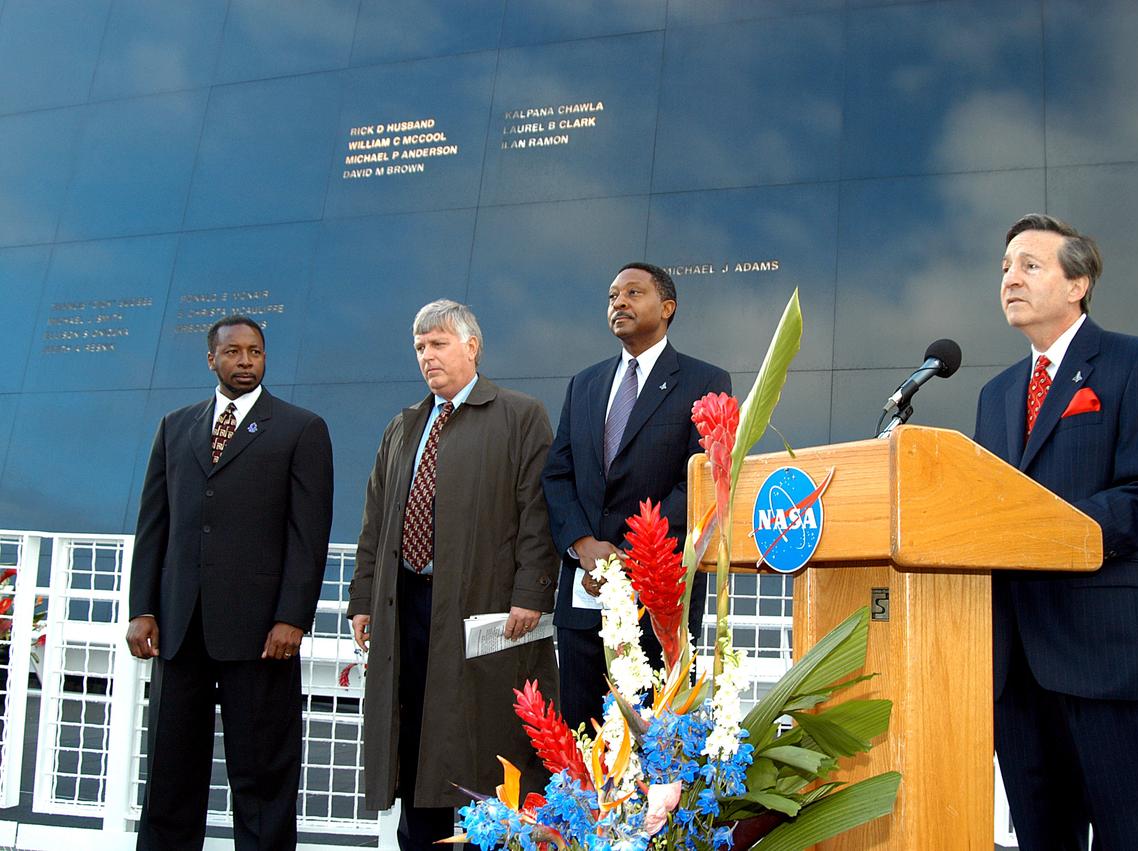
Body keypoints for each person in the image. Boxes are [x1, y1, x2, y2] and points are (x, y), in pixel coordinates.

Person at [974, 214, 1138, 849]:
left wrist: (1043, 528)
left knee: (1129, 838)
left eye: (1030, 265)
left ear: (1079, 283)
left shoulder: (1137, 363)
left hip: (1104, 655)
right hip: (1015, 668)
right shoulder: (997, 392)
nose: (1011, 278)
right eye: (1005, 267)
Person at [347, 300, 559, 850]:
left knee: (482, 742)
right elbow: (376, 521)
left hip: (487, 611)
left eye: (438, 344)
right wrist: (364, 599)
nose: (427, 356)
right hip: (406, 610)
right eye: (420, 347)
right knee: (416, 737)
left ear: (472, 347)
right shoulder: (403, 426)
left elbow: (539, 512)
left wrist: (532, 591)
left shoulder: (519, 414)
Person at [126, 315, 334, 851]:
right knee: (170, 773)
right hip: (179, 629)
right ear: (211, 358)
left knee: (261, 775)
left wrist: (293, 617)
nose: (246, 361)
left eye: (256, 352)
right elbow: (155, 524)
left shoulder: (300, 428)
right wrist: (142, 608)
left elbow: (308, 536)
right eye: (234, 352)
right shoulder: (175, 427)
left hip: (261, 634)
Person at [542, 262, 731, 731]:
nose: (618, 303)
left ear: (667, 308)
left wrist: (631, 553)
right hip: (585, 595)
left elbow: (700, 481)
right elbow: (557, 474)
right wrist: (583, 546)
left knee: (652, 746)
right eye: (612, 296)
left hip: (658, 593)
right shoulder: (583, 384)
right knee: (582, 743)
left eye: (633, 293)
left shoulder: (705, 381)